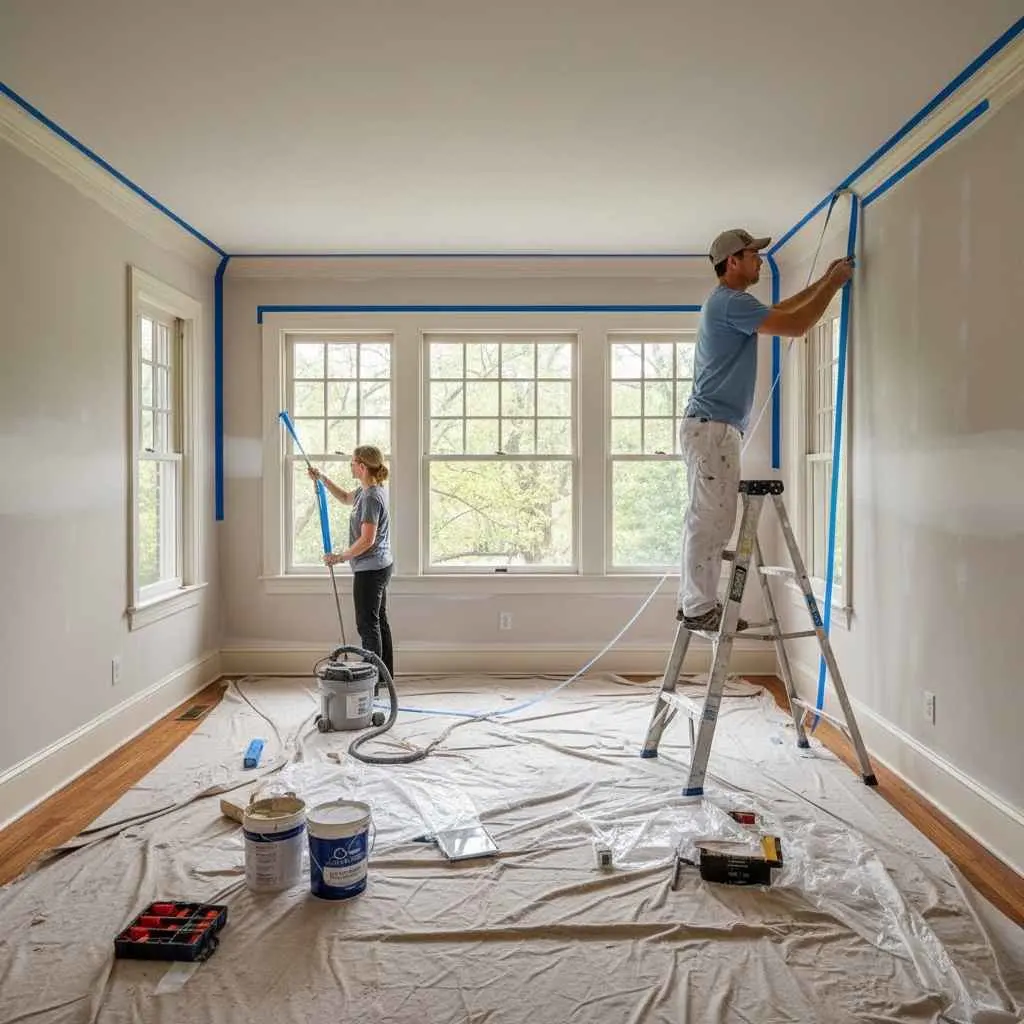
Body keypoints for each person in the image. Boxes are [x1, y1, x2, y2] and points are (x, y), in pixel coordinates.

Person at [678, 228, 855, 632]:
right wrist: (835, 284)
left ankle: (693, 603)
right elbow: (795, 326)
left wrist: (822, 282)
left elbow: (785, 311)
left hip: (709, 428)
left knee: (706, 518)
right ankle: (698, 606)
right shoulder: (727, 302)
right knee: (713, 520)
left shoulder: (732, 304)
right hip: (712, 430)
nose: (759, 259)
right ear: (732, 262)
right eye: (752, 254)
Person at [308, 445, 394, 677]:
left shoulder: (371, 497)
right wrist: (323, 479)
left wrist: (339, 557)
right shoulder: (366, 491)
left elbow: (367, 540)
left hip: (371, 569)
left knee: (367, 625)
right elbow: (346, 497)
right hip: (378, 565)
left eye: (353, 462)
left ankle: (372, 682)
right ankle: (385, 678)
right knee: (378, 622)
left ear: (362, 467)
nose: (350, 465)